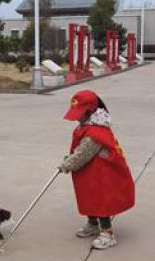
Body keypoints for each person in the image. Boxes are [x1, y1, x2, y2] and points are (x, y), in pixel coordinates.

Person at [58, 90, 135, 250]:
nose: (76, 117)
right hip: (90, 173)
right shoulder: (87, 126)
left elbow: (83, 154)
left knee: (101, 202)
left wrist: (67, 165)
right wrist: (70, 159)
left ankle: (107, 233)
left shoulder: (96, 132)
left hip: (102, 175)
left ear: (90, 110)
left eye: (79, 113)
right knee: (88, 197)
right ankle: (92, 224)